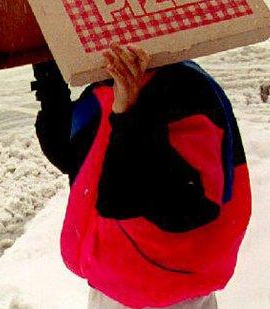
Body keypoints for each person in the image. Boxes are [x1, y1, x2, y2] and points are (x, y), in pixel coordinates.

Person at [31, 45, 251, 309]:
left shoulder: (187, 88)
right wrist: (49, 74)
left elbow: (182, 206)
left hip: (174, 293)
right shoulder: (102, 88)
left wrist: (130, 117)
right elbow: (70, 155)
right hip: (112, 284)